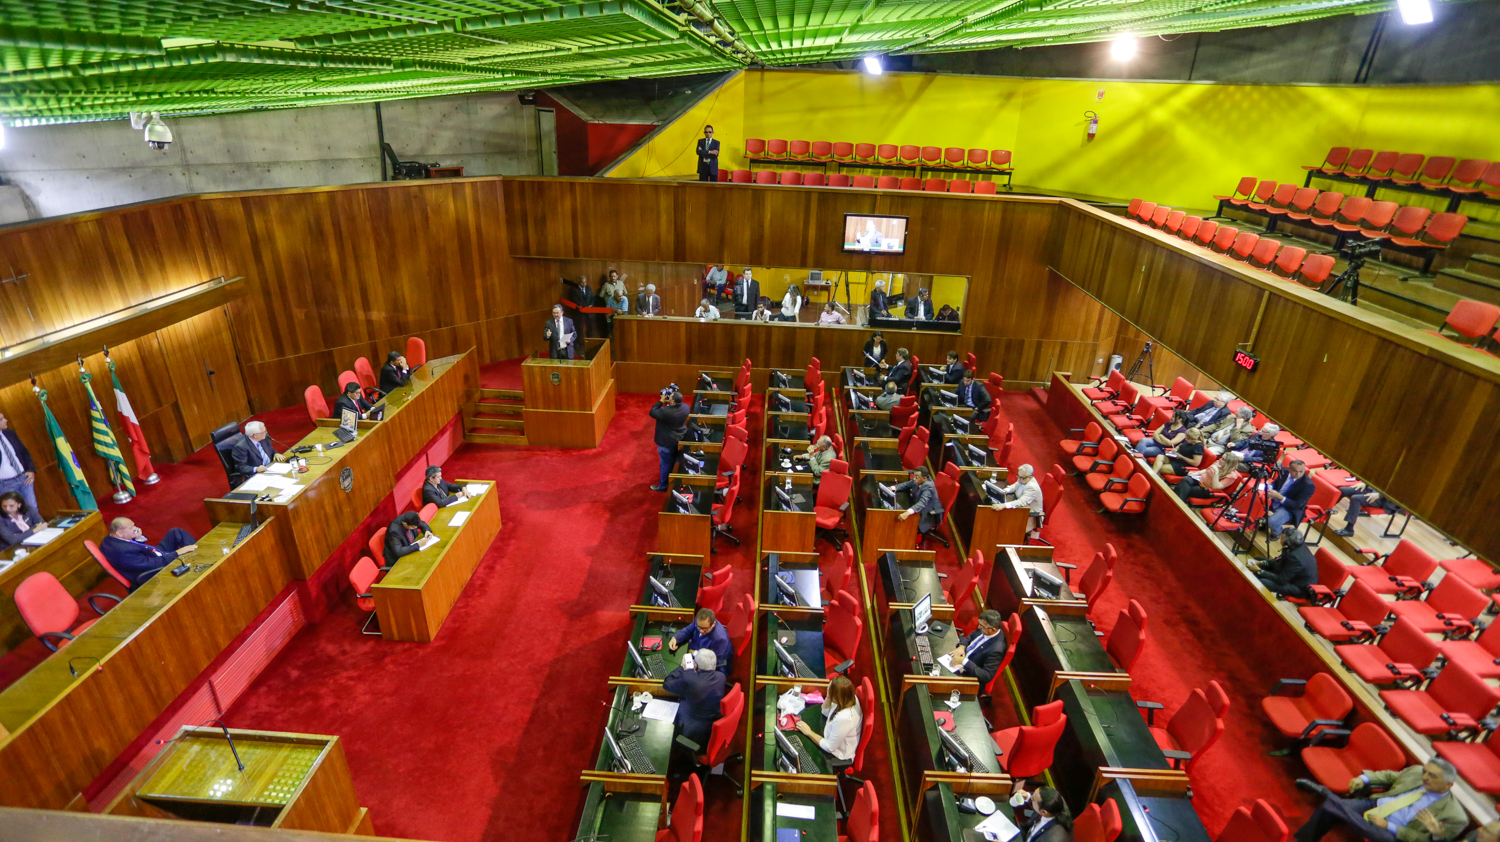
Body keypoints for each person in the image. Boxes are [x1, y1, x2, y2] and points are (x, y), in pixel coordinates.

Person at [1292, 760, 1466, 842]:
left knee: (1339, 808)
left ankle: (1326, 794)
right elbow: (1390, 776)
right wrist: (1365, 779)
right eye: (1425, 772)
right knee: (1328, 809)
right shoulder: (1417, 772)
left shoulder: (1454, 815)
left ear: (1449, 784)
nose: (1424, 777)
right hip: (1376, 805)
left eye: (1432, 776)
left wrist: (1388, 826)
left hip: (1396, 834)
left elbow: (1426, 841)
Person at [99, 517, 197, 587]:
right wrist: (177, 552)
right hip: (152, 572)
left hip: (150, 556)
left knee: (175, 532)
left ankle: (199, 554)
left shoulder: (110, 539)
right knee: (181, 549)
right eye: (131, 528)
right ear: (119, 533)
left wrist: (138, 538)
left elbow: (136, 549)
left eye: (134, 525)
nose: (135, 528)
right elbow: (153, 564)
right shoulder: (122, 552)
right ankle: (201, 565)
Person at [662, 649, 727, 751]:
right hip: (710, 722)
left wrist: (682, 667)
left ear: (695, 665)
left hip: (690, 730)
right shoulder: (721, 677)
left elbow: (667, 684)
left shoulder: (690, 679)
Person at [794, 674, 862, 762]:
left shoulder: (844, 719)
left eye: (831, 692)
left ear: (838, 697)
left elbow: (829, 747)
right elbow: (825, 712)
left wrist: (809, 732)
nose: (828, 692)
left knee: (801, 748)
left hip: (837, 753)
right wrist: (829, 696)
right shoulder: (848, 697)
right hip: (828, 732)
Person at [1251, 526, 1317, 598]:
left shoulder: (1295, 558)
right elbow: (1279, 560)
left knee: (1264, 582)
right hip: (1289, 575)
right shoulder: (1294, 546)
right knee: (1259, 559)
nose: (1280, 539)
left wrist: (1259, 571)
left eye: (1281, 537)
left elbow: (1281, 580)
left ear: (1287, 541)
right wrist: (1262, 562)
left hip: (1299, 587)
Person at [949, 609, 1009, 688]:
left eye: (982, 626)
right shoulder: (985, 628)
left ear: (993, 629)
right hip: (959, 659)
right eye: (979, 624)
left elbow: (986, 676)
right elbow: (970, 637)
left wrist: (964, 661)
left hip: (968, 675)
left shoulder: (996, 650)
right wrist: (962, 646)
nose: (979, 627)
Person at [667, 608, 734, 675]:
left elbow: (714, 663)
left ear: (713, 624)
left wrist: (694, 653)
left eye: (705, 629)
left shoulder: (720, 640)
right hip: (695, 649)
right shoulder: (699, 621)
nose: (701, 631)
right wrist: (675, 638)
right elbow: (688, 630)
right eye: (699, 627)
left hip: (708, 665)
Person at [649, 389, 690, 492]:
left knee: (665, 464)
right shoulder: (686, 407)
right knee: (675, 461)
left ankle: (663, 486)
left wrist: (661, 401)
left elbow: (653, 411)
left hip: (667, 442)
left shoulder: (665, 411)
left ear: (672, 401)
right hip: (680, 437)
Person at [0, 413, 38, 518]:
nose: (6, 420)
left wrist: (30, 470)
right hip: (5, 484)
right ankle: (27, 533)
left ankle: (40, 531)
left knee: (32, 508)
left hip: (23, 478)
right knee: (15, 514)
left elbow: (24, 452)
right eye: (1, 419)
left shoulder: (10, 434)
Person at [1332, 480, 1398, 537]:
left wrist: (1379, 494)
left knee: (1356, 499)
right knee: (1343, 490)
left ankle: (1349, 529)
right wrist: (1365, 482)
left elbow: (1398, 491)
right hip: (1373, 489)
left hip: (1385, 499)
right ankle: (1326, 511)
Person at [1266, 459, 1314, 536]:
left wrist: (1280, 497)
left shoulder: (1308, 485)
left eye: (1301, 471)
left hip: (1289, 508)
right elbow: (1275, 483)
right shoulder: (1284, 471)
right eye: (1295, 471)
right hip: (1274, 499)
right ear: (1289, 469)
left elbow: (1297, 505)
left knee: (1272, 522)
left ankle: (1276, 533)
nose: (1298, 474)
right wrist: (1270, 487)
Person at [894, 466, 944, 541]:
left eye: (916, 477)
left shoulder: (928, 487)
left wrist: (907, 512)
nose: (914, 478)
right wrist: (893, 488)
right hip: (917, 505)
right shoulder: (919, 480)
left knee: (899, 515)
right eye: (914, 476)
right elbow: (907, 484)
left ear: (924, 478)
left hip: (928, 513)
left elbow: (922, 503)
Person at [994, 464, 1045, 534]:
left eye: (1022, 478)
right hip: (1022, 508)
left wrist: (1004, 505)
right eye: (1018, 476)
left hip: (1030, 515)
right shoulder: (1024, 478)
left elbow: (1021, 502)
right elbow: (1016, 485)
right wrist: (1006, 490)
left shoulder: (1032, 487)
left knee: (1003, 521)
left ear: (1030, 478)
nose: (1019, 479)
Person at [1175, 451, 1241, 503]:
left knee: (1182, 488)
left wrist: (1216, 472)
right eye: (1221, 457)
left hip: (1206, 489)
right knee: (1185, 480)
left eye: (1223, 459)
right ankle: (1179, 503)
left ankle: (1178, 504)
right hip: (1199, 479)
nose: (1220, 459)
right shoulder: (1218, 462)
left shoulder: (1231, 476)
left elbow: (1216, 487)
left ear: (1228, 463)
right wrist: (1196, 473)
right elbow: (1206, 470)